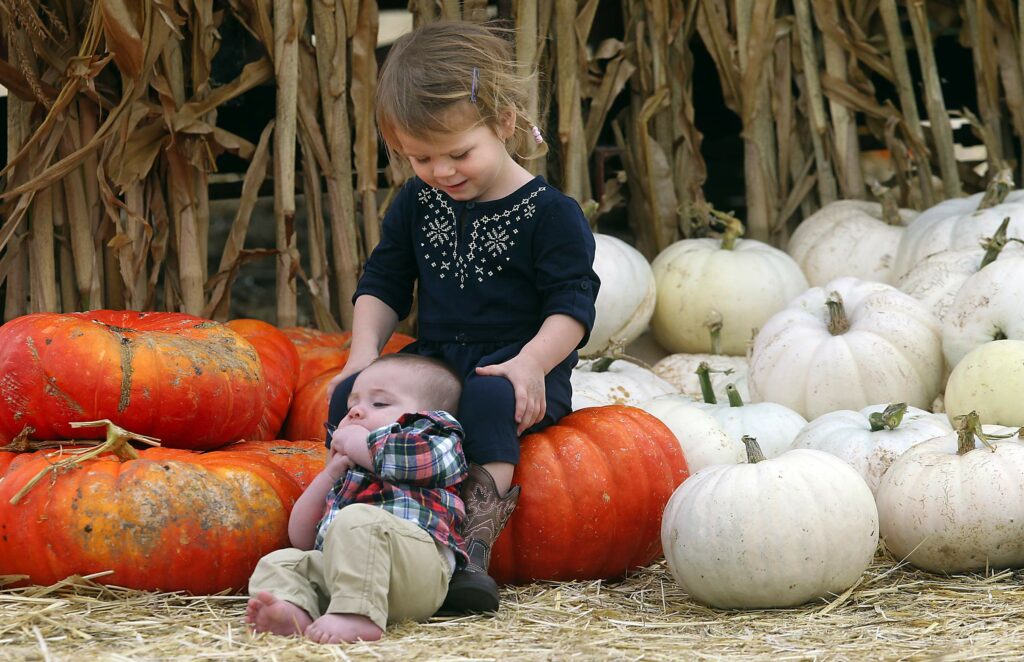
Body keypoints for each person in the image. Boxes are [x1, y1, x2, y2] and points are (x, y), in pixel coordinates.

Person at [325, 20, 600, 615]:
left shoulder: (551, 214)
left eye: (458, 154)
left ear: (503, 122)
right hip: (435, 360)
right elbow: (383, 282)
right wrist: (363, 354)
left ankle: (469, 545)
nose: (442, 172)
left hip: (519, 367)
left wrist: (530, 364)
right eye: (420, 157)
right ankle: (345, 516)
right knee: (352, 391)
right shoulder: (418, 202)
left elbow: (571, 308)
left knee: (486, 398)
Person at [246, 353, 468, 644]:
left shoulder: (435, 436)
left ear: (426, 415)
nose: (356, 412)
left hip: (414, 572)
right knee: (284, 560)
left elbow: (419, 461)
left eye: (379, 403)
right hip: (348, 577)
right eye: (352, 405)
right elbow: (301, 536)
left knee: (358, 519)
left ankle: (357, 616)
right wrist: (329, 475)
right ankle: (293, 610)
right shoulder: (348, 470)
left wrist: (359, 444)